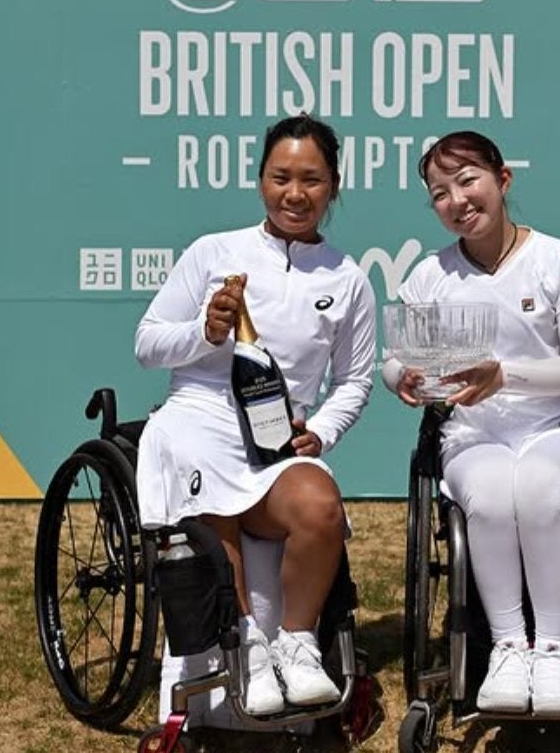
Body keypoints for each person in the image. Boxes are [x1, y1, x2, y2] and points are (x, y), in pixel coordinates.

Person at [134, 114, 377, 716]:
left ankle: (296, 644)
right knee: (206, 478)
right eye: (280, 177)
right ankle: (246, 646)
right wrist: (204, 331)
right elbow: (147, 343)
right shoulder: (213, 252)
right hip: (198, 415)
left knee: (320, 506)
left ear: (334, 185)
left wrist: (320, 431)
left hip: (274, 437)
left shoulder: (348, 278)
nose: (295, 194)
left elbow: (354, 380)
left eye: (311, 180)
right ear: (261, 179)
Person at [383, 131, 560, 715]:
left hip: (556, 430)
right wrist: (400, 377)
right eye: (440, 193)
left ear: (502, 180)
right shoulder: (430, 275)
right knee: (487, 493)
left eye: (467, 181)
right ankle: (507, 648)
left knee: (535, 485)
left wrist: (505, 376)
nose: (456, 200)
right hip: (472, 435)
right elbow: (396, 359)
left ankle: (553, 651)